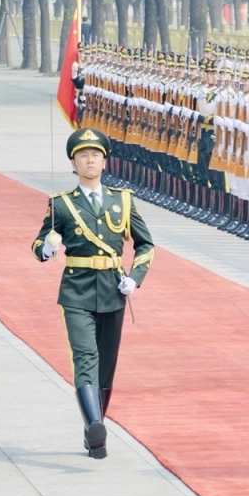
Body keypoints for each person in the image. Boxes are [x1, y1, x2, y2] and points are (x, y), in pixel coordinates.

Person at [31, 127, 154, 459]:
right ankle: (96, 425)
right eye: (83, 155)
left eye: (95, 155)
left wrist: (136, 277)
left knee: (106, 367)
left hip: (113, 291)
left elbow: (146, 244)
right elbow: (38, 245)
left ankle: (92, 430)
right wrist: (48, 248)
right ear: (74, 163)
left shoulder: (123, 201)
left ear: (104, 161)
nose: (90, 160)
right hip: (77, 291)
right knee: (85, 357)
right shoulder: (61, 205)